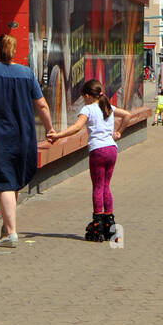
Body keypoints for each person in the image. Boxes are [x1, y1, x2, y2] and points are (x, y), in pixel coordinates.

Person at [0, 32, 56, 249]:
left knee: (4, 182)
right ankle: (6, 227)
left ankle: (11, 233)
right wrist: (50, 129)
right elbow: (41, 104)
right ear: (14, 51)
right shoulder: (26, 73)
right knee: (12, 180)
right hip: (23, 134)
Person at [49, 79, 138, 241]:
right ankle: (109, 223)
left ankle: (98, 223)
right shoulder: (107, 106)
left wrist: (58, 136)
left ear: (88, 96)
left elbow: (76, 127)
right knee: (106, 186)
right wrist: (119, 132)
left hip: (98, 150)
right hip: (112, 150)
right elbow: (127, 115)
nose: (84, 100)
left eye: (84, 97)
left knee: (97, 186)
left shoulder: (88, 109)